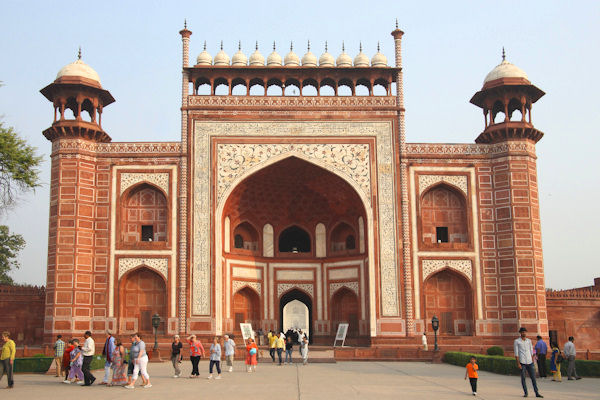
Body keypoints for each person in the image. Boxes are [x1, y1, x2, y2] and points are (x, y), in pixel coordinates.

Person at [514, 327, 543, 398]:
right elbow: (516, 353)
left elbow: (531, 351)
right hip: (522, 362)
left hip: (530, 362)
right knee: (523, 378)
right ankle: (526, 393)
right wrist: (518, 363)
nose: (524, 333)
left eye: (524, 332)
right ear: (520, 333)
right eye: (522, 332)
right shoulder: (517, 341)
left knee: (533, 378)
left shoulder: (529, 341)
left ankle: (536, 392)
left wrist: (533, 359)